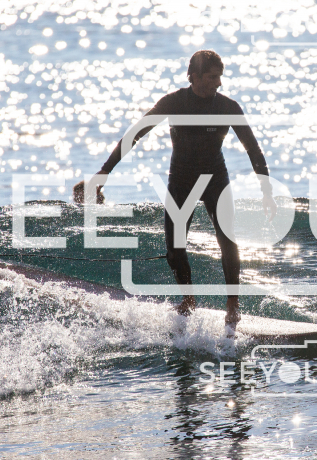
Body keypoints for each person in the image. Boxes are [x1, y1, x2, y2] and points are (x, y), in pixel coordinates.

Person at [89, 50, 276, 325]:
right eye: (212, 77)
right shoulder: (174, 102)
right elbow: (135, 134)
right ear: (195, 77)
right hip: (181, 180)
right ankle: (188, 299)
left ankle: (233, 304)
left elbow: (253, 149)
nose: (219, 83)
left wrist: (266, 191)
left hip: (215, 178)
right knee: (174, 249)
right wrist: (105, 171)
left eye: (220, 77)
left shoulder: (228, 107)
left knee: (227, 238)